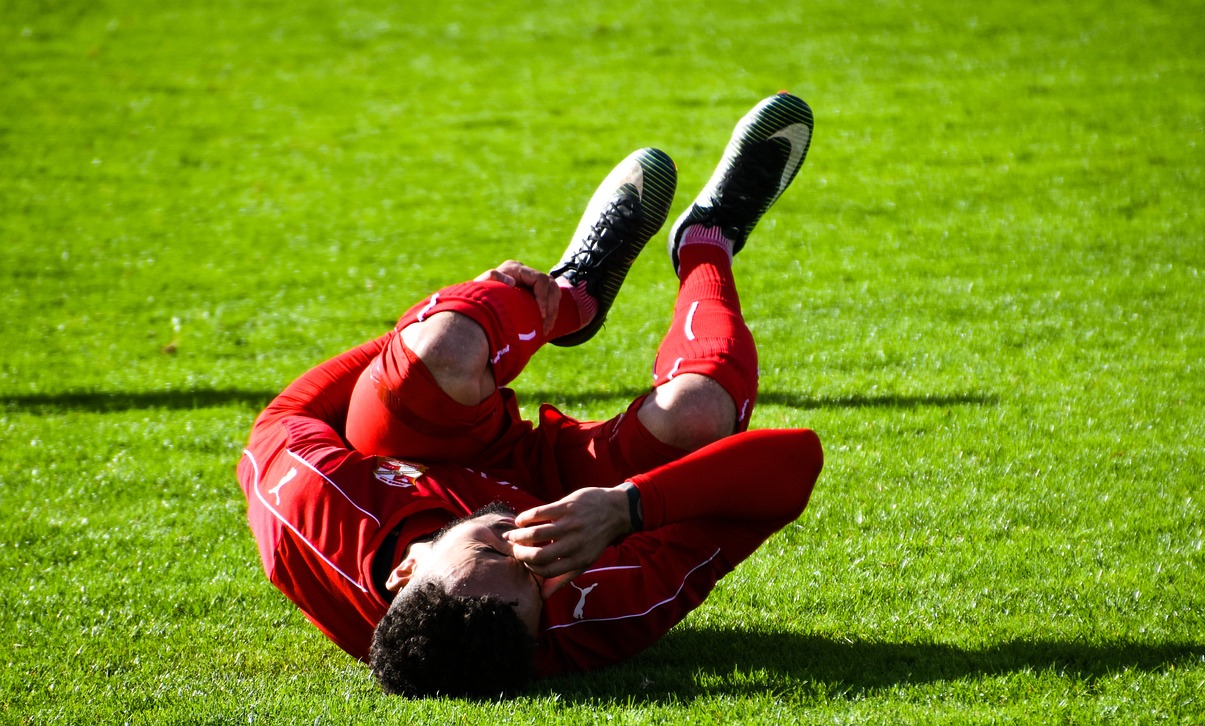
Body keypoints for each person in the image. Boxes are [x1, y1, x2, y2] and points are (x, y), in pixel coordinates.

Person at [236, 93, 823, 699]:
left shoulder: (311, 518)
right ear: (542, 629)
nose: (524, 538)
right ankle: (708, 239)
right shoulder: (598, 610)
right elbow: (794, 460)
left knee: (442, 350)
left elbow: (282, 418)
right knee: (699, 413)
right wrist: (626, 508)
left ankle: (568, 299)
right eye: (537, 575)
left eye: (495, 551)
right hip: (568, 486)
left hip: (409, 450)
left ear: (405, 570)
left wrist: (456, 320)